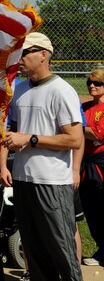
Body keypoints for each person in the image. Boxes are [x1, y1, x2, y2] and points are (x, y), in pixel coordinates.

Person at [1, 32, 83, 280]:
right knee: (34, 254)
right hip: (23, 180)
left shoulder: (61, 90)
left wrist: (31, 139)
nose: (20, 59)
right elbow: (14, 131)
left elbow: (74, 139)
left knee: (63, 253)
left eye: (25, 53)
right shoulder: (19, 89)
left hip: (52, 183)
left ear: (43, 55)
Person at [80, 67, 104, 265]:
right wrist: (86, 131)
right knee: (90, 209)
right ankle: (102, 249)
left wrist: (79, 128)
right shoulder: (85, 106)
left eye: (97, 83)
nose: (92, 86)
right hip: (85, 161)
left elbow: (98, 135)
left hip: (101, 162)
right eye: (89, 82)